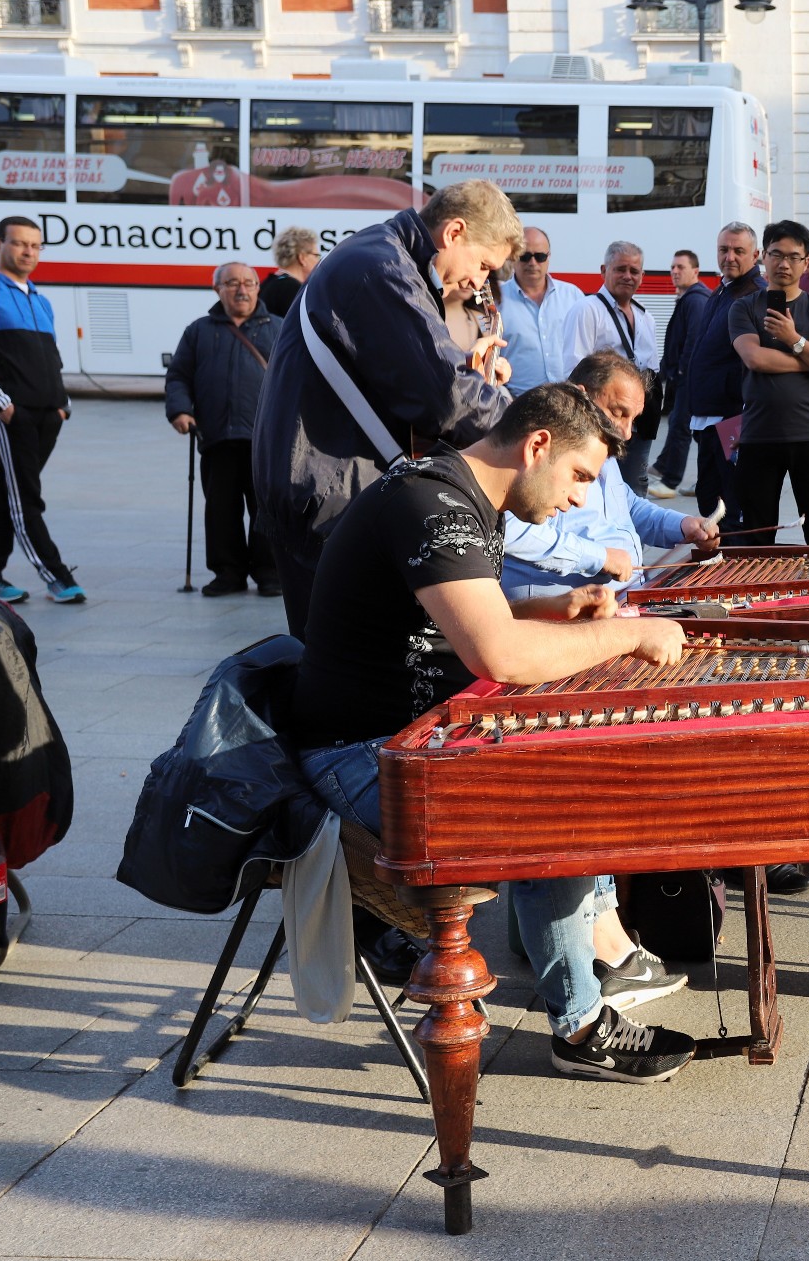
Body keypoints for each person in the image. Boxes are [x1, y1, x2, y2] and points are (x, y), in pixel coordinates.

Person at [294, 384, 699, 1082]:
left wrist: (556, 604)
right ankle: (580, 1024)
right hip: (364, 754)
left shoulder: (461, 496)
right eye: (578, 476)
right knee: (551, 805)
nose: (578, 499)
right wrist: (626, 633)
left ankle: (592, 953)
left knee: (571, 768)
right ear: (536, 444)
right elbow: (499, 655)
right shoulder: (432, 505)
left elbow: (464, 607)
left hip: (410, 737)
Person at [252, 180, 517, 639]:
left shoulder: (382, 254)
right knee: (348, 665)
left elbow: (416, 382)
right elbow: (445, 399)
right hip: (330, 492)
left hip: (325, 482)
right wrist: (524, 422)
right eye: (483, 264)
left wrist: (472, 375)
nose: (480, 283)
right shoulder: (383, 267)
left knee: (347, 658)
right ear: (454, 232)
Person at [500, 353, 719, 599]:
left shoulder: (602, 449)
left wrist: (681, 525)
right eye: (618, 413)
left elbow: (626, 505)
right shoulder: (541, 450)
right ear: (580, 397)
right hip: (563, 611)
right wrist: (598, 558)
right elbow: (512, 531)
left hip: (625, 595)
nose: (626, 433)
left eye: (633, 419)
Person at [0, 217, 84, 605]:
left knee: (9, 488)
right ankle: (56, 575)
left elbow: (51, 357)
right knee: (26, 496)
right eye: (20, 244)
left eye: (35, 246)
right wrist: (2, 404)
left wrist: (62, 404)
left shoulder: (40, 299)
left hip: (48, 413)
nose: (28, 252)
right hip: (10, 412)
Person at [164, 261, 280, 598]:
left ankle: (270, 572)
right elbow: (179, 376)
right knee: (220, 510)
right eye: (231, 283)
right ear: (217, 289)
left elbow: (297, 381)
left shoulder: (279, 328)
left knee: (266, 510)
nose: (241, 289)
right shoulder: (198, 330)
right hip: (217, 436)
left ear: (258, 288)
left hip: (266, 440)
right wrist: (180, 410)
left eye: (248, 282)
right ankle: (228, 573)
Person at [727, 219, 809, 544]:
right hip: (758, 436)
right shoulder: (744, 308)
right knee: (757, 537)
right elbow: (755, 359)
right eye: (776, 254)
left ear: (806, 262)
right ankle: (759, 596)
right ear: (763, 256)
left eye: (794, 256)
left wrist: (795, 340)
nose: (784, 263)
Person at [682, 223, 766, 521]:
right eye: (724, 250)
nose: (729, 256)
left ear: (755, 255)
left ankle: (733, 566)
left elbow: (759, 364)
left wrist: (745, 416)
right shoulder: (723, 290)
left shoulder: (757, 295)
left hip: (733, 418)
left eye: (738, 251)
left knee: (730, 506)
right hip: (709, 415)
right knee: (709, 498)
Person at [567, 241, 663, 493]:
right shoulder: (587, 310)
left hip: (639, 422)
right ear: (603, 270)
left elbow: (651, 369)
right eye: (621, 269)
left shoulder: (646, 317)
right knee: (599, 488)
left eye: (634, 271)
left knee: (635, 487)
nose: (628, 276)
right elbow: (574, 370)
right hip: (602, 421)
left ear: (642, 276)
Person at [651, 249, 711, 499]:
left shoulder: (696, 300)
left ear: (695, 271)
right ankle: (705, 480)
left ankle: (670, 481)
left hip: (691, 378)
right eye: (673, 267)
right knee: (699, 431)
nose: (674, 272)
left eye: (681, 267)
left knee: (680, 426)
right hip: (690, 376)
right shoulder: (690, 297)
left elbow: (693, 341)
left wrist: (681, 373)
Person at [500, 226, 584, 396]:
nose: (532, 263)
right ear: (513, 257)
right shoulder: (496, 299)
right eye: (525, 256)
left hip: (568, 402)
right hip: (518, 405)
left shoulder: (573, 296)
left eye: (539, 256)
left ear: (548, 257)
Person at [260, 226, 321, 317]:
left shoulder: (266, 284)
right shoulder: (293, 289)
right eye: (316, 255)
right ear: (302, 258)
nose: (318, 261)